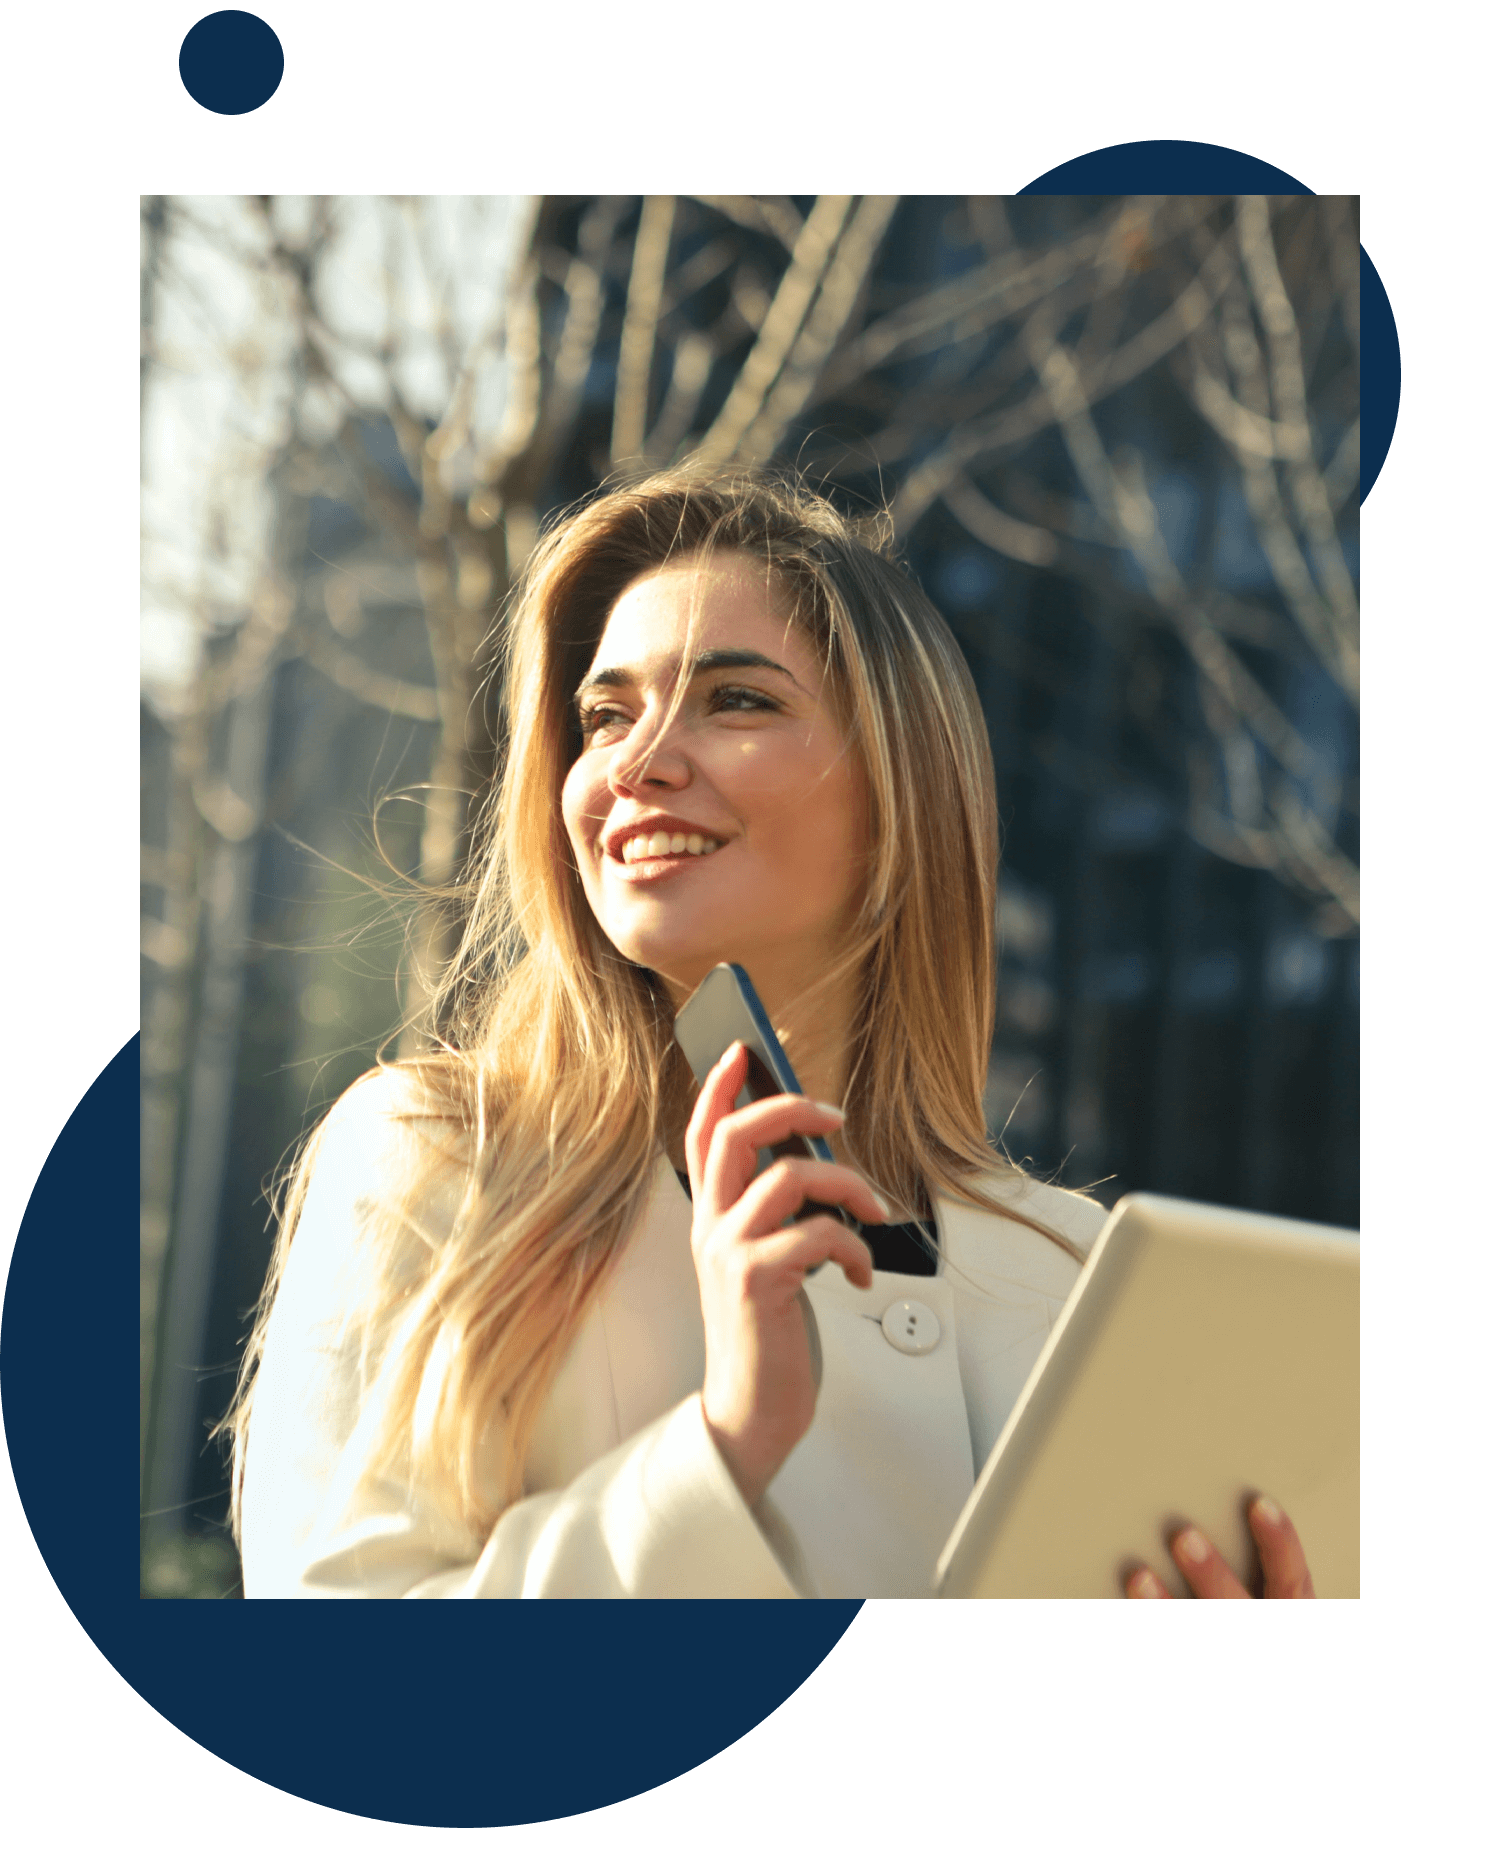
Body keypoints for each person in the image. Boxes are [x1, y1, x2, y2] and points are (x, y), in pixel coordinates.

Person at [218, 461, 1316, 1599]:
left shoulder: (1075, 1269)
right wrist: (722, 1446)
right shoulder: (444, 1158)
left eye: (736, 699)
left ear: (902, 790)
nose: (637, 762)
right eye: (605, 716)